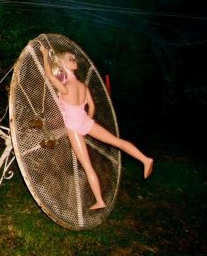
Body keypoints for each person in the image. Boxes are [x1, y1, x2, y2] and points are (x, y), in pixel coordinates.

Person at [39, 44, 153, 210]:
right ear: (63, 64)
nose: (74, 60)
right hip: (86, 122)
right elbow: (91, 107)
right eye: (71, 59)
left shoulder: (65, 87)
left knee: (87, 166)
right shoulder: (84, 87)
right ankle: (145, 159)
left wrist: (44, 54)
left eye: (74, 59)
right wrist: (86, 123)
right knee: (117, 141)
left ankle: (100, 201)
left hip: (74, 126)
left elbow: (49, 74)